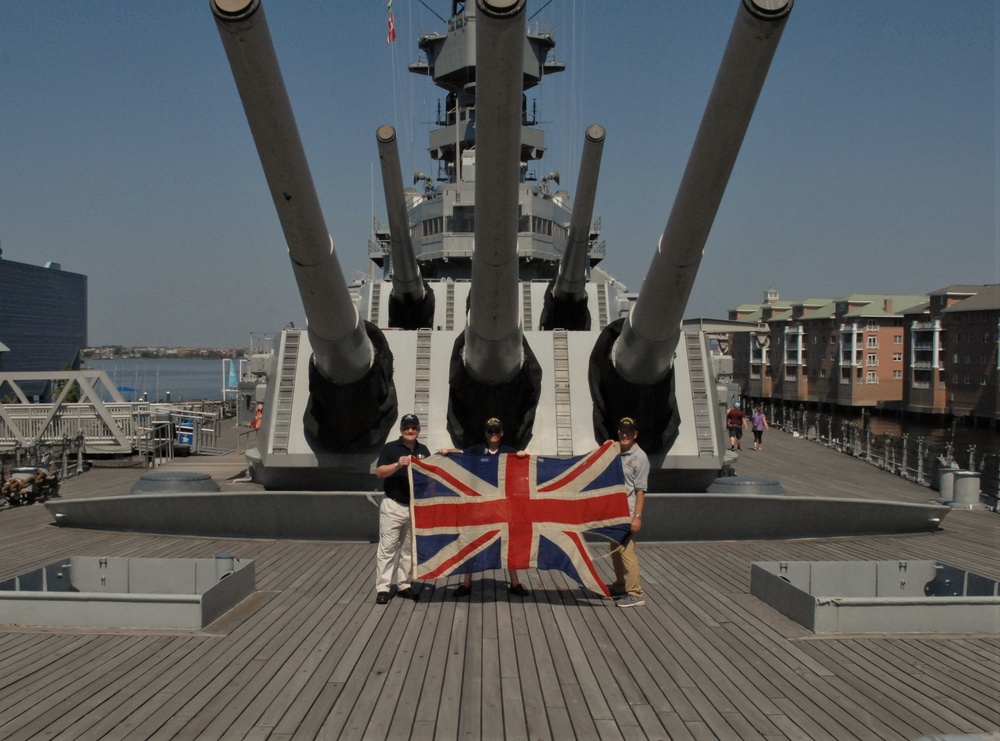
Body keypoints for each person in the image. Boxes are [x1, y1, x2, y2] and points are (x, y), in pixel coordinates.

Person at [439, 417, 529, 598]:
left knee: (508, 541)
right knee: (472, 539)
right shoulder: (478, 450)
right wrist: (448, 451)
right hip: (480, 505)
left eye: (496, 431)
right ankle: (466, 584)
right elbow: (461, 453)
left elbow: (526, 467)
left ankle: (515, 582)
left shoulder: (509, 452)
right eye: (490, 431)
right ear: (486, 434)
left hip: (503, 505)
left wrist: (523, 456)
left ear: (502, 433)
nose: (493, 434)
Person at [373, 413, 430, 604]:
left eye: (414, 427)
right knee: (387, 549)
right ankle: (383, 588)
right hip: (394, 505)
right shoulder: (390, 448)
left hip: (414, 508)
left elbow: (432, 474)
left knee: (408, 550)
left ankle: (404, 584)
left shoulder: (423, 450)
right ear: (401, 430)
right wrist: (397, 464)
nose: (410, 430)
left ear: (418, 430)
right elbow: (379, 472)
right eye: (407, 427)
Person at [608, 416, 648, 608]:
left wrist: (637, 517)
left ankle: (635, 592)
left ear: (635, 434)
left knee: (626, 551)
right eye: (622, 431)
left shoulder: (639, 457)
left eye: (629, 432)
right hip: (614, 510)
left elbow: (641, 491)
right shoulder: (615, 451)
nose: (624, 435)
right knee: (615, 550)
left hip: (628, 511)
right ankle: (621, 585)